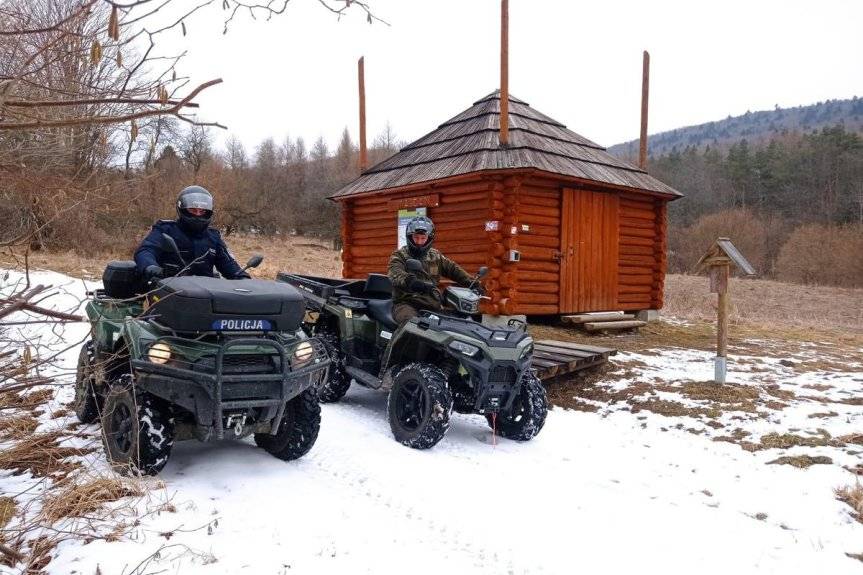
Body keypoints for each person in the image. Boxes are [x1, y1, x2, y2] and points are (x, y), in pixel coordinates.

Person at [134, 185, 250, 281]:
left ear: (208, 212)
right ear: (182, 208)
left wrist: (243, 278)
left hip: (205, 295)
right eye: (193, 210)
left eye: (202, 211)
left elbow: (227, 263)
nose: (198, 214)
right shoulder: (165, 230)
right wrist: (150, 267)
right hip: (168, 290)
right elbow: (146, 250)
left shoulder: (213, 237)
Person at [387, 216, 481, 325]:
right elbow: (395, 273)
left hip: (432, 305)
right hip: (406, 303)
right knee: (412, 325)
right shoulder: (399, 255)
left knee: (452, 325)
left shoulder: (435, 256)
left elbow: (453, 269)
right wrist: (411, 282)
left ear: (429, 238)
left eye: (423, 238)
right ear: (409, 237)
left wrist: (473, 283)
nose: (419, 242)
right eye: (416, 237)